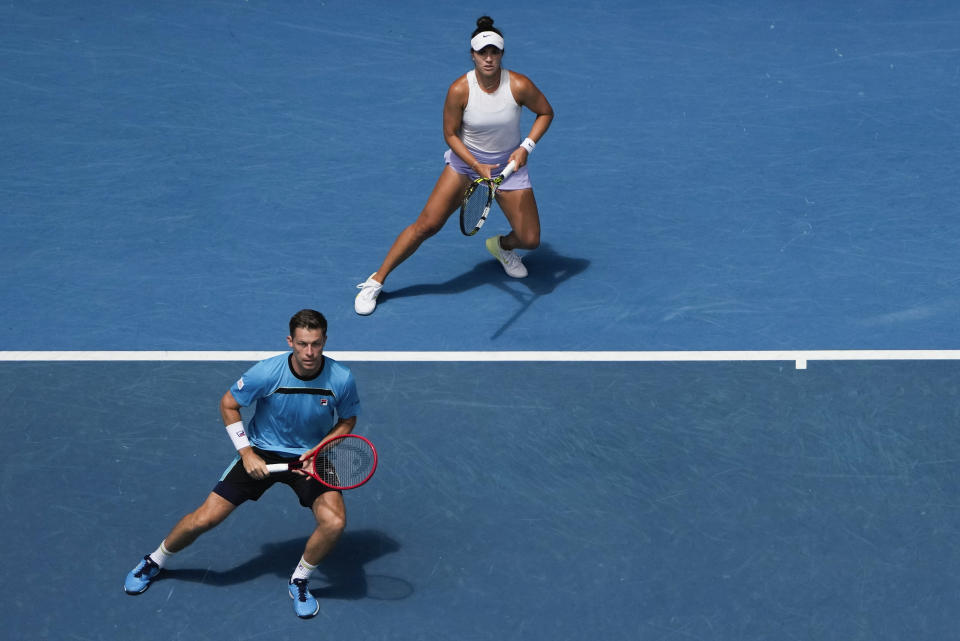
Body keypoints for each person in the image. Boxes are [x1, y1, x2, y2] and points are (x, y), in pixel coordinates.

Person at [123, 309, 361, 620]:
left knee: (334, 522)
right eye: (302, 344)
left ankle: (300, 580)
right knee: (204, 519)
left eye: (316, 344)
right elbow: (228, 403)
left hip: (310, 456)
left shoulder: (341, 378)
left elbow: (347, 420)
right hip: (261, 450)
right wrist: (247, 453)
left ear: (325, 341)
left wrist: (319, 450)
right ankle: (155, 560)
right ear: (290, 341)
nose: (309, 352)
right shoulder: (267, 372)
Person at [355, 15, 554, 315]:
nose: (488, 58)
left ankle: (502, 247)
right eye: (482, 52)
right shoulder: (460, 90)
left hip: (508, 167)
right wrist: (476, 164)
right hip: (465, 165)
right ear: (472, 54)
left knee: (531, 239)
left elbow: (545, 112)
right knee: (427, 225)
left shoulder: (520, 85)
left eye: (494, 52)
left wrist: (526, 147)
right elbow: (450, 134)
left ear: (502, 54)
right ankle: (375, 280)